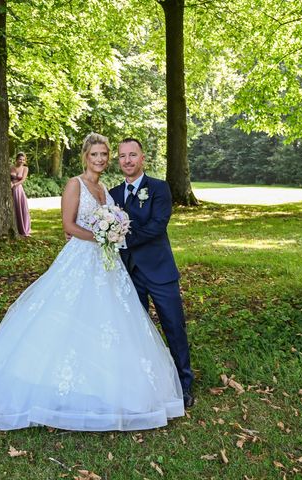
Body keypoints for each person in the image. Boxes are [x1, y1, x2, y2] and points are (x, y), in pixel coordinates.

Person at [0, 133, 185, 431]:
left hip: (111, 262)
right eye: (95, 155)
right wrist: (102, 236)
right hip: (82, 258)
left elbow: (128, 222)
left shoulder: (108, 189)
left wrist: (112, 236)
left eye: (105, 154)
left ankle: (165, 381)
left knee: (116, 319)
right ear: (85, 157)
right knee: (73, 315)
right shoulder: (74, 184)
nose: (101, 159)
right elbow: (68, 225)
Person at [109, 138, 195, 408]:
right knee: (137, 331)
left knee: (173, 327)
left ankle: (184, 384)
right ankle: (144, 384)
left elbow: (158, 225)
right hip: (128, 274)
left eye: (132, 155)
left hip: (159, 271)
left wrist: (121, 239)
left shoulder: (158, 188)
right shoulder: (112, 194)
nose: (127, 161)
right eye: (122, 156)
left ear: (142, 158)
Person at [11, 152, 31, 237]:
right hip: (9, 189)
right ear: (16, 159)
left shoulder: (25, 168)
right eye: (20, 159)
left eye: (23, 160)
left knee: (20, 207)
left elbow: (23, 180)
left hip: (18, 189)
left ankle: (23, 229)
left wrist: (14, 185)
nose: (21, 161)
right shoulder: (11, 167)